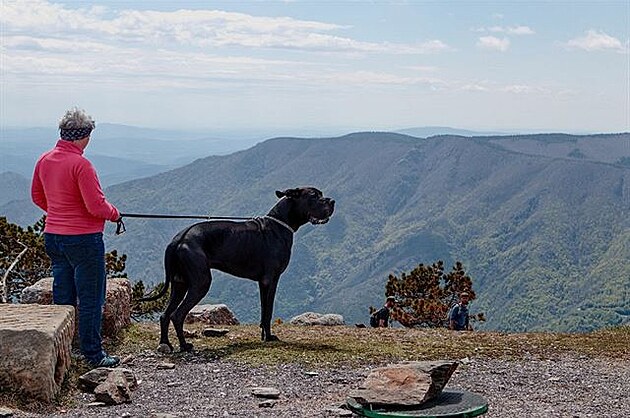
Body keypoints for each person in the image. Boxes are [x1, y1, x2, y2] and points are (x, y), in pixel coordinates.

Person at [31, 107, 121, 368]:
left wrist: (59, 213)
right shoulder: (81, 165)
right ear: (83, 136)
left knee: (63, 296)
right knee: (91, 297)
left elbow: (37, 197)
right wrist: (115, 214)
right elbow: (96, 206)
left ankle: (62, 350)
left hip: (54, 237)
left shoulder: (44, 160)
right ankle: (93, 354)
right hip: (84, 239)